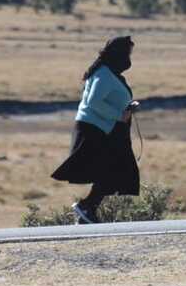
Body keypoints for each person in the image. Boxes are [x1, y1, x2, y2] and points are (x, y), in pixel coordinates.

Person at [51, 35, 140, 224]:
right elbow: (93, 101)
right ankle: (86, 207)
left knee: (114, 170)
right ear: (119, 54)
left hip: (105, 128)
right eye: (128, 53)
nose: (129, 58)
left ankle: (87, 210)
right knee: (114, 169)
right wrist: (119, 115)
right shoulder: (104, 74)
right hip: (96, 130)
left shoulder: (108, 72)